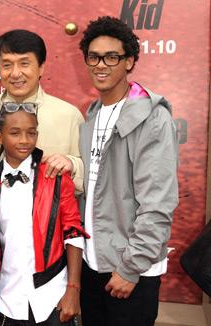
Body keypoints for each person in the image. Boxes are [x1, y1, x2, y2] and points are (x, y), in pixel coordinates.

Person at [77, 16, 179, 326]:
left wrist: (130, 267)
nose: (101, 65)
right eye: (93, 57)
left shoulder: (153, 118)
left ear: (130, 60)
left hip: (130, 270)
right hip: (92, 263)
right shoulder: (92, 116)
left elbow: (158, 203)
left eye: (112, 57)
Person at [0, 103, 89, 325]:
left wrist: (73, 290)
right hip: (7, 300)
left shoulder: (55, 177)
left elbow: (73, 233)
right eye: (15, 133)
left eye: (31, 133)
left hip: (53, 298)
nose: (24, 140)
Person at [0, 29, 84, 193]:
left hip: (48, 215)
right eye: (7, 65)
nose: (16, 73)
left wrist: (73, 164)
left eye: (24, 64)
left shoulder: (69, 115)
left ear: (41, 68)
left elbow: (91, 172)